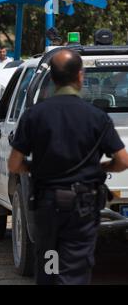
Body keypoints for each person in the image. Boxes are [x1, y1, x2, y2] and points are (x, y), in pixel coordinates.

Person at [8, 49, 128, 284]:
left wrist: (34, 168)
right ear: (80, 76)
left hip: (47, 204)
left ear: (52, 78)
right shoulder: (95, 116)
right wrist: (102, 168)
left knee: (50, 262)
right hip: (81, 208)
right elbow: (122, 160)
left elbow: (14, 164)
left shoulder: (35, 115)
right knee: (73, 267)